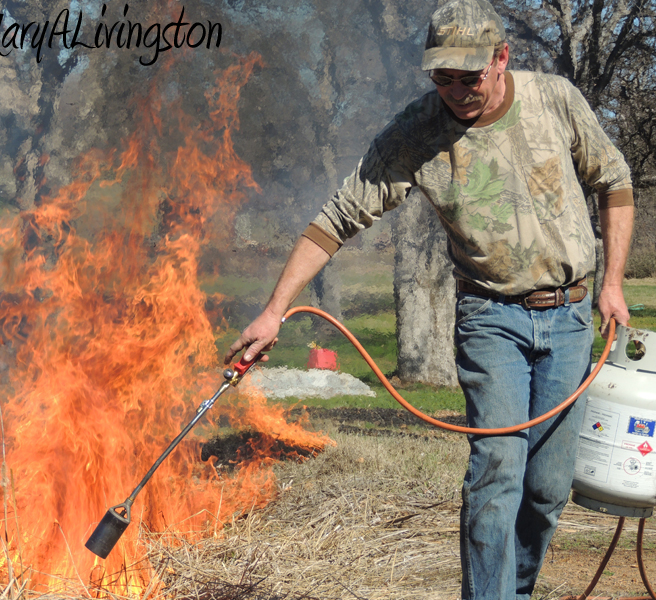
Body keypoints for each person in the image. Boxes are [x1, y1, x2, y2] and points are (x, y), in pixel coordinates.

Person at [224, 0, 635, 598]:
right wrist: (272, 309)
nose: (456, 92)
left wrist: (614, 283)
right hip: (490, 319)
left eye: (469, 77)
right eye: (442, 78)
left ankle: (513, 590)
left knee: (546, 489)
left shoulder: (555, 100)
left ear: (502, 59)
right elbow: (335, 221)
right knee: (497, 474)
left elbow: (614, 180)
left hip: (570, 317)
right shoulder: (417, 132)